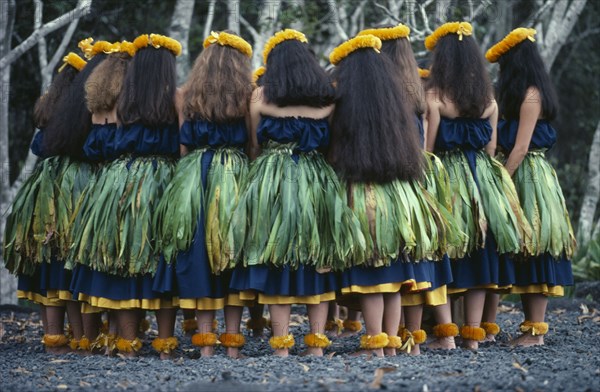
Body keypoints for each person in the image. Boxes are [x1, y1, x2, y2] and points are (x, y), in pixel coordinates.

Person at [227, 29, 365, 357]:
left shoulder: (260, 97)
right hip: (317, 178)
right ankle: (316, 343)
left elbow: (254, 145)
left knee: (275, 256)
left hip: (272, 178)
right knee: (317, 256)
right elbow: (332, 146)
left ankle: (281, 346)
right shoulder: (329, 98)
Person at [329, 34, 455, 357]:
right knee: (396, 274)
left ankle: (374, 345)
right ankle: (391, 344)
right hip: (399, 197)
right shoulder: (398, 102)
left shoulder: (346, 106)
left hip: (365, 194)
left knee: (373, 273)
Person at [69, 34, 181, 358]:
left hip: (121, 182)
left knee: (122, 265)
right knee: (161, 260)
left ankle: (127, 344)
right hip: (161, 182)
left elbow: (105, 144)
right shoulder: (174, 98)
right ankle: (164, 345)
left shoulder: (121, 100)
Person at [424, 22, 531, 350]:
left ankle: (446, 334)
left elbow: (428, 149)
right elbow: (490, 147)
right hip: (484, 179)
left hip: (449, 179)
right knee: (480, 250)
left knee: (446, 248)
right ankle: (473, 334)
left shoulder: (435, 96)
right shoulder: (488, 99)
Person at [153, 30, 253, 358]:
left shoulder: (184, 95)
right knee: (234, 252)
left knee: (199, 255)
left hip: (195, 175)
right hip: (235, 173)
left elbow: (183, 148)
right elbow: (253, 145)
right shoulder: (248, 95)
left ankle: (206, 345)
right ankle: (233, 344)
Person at [486, 27, 575, 346]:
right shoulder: (517, 94)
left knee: (536, 245)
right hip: (516, 170)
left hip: (529, 177)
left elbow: (521, 148)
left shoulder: (532, 95)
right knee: (520, 249)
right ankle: (526, 328)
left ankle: (534, 332)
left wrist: (502, 183)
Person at [3, 52, 89, 354]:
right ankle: (81, 338)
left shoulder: (49, 105)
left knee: (47, 258)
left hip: (43, 186)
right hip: (76, 187)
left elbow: (37, 145)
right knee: (71, 259)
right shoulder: (83, 109)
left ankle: (52, 337)